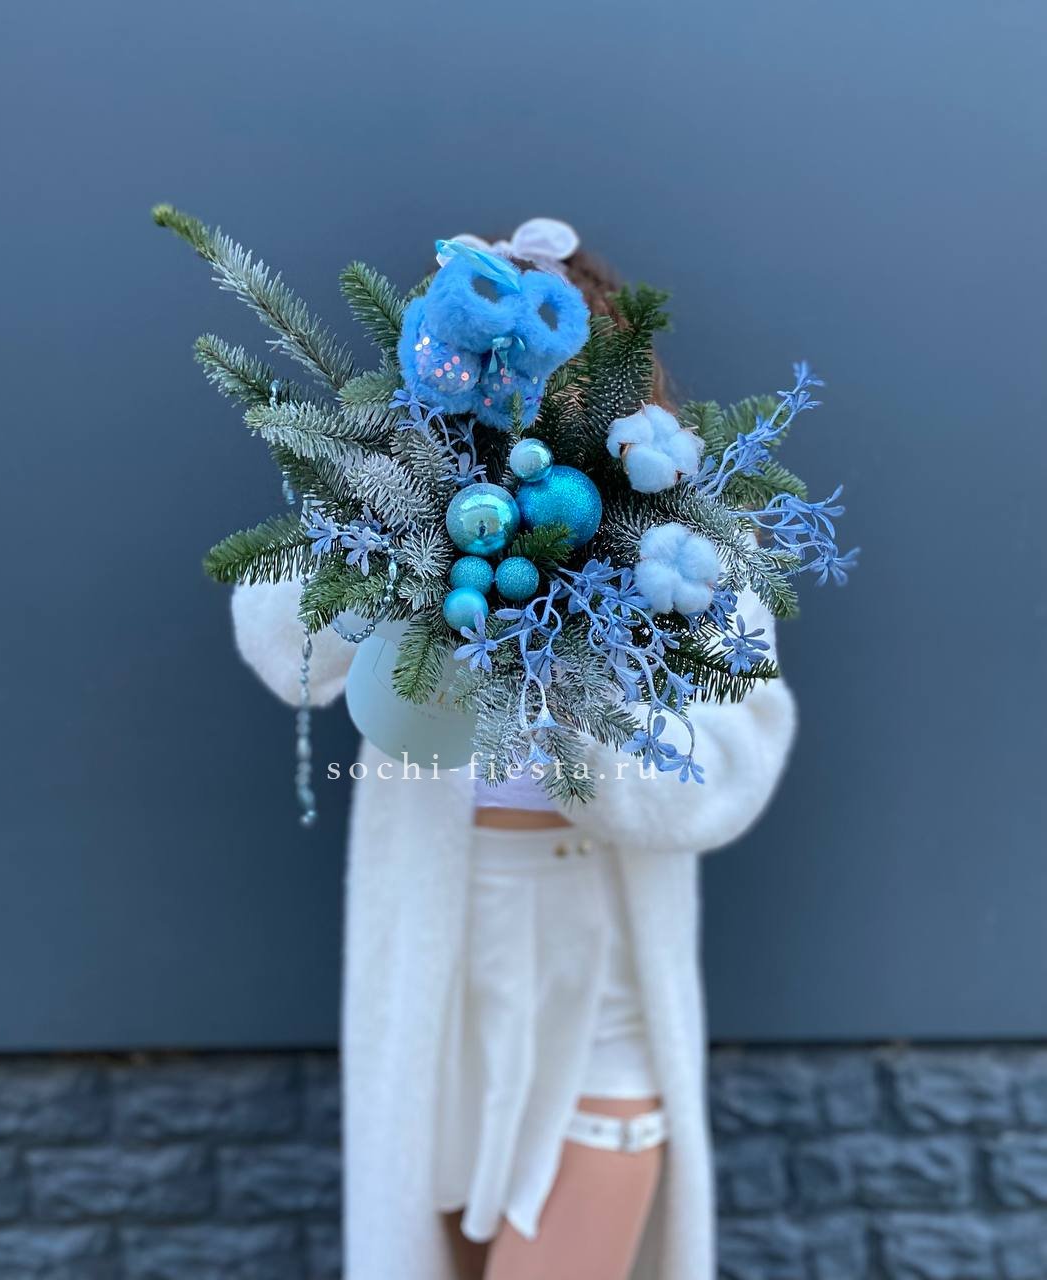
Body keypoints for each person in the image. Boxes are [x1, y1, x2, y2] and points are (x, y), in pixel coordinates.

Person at [230, 231, 797, 1280]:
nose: (523, 396)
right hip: (438, 959)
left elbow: (728, 770)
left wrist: (576, 670)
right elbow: (282, 646)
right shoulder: (414, 497)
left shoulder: (682, 539)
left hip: (602, 965)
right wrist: (395, 516)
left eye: (556, 367)